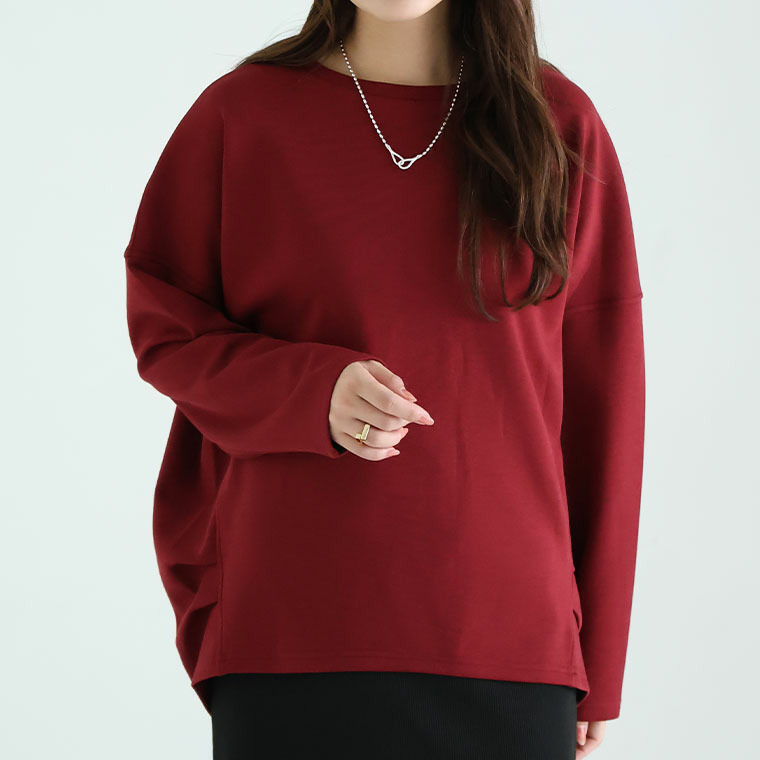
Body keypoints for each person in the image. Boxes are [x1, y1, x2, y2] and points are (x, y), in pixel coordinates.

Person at [123, 1, 645, 757]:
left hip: (510, 638)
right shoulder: (243, 114)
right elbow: (167, 326)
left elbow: (607, 405)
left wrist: (601, 659)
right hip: (294, 626)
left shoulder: (558, 123)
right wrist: (309, 393)